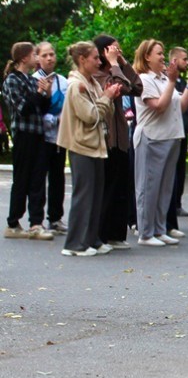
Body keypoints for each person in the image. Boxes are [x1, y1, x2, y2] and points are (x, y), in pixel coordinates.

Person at [132, 38, 188, 247]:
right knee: (148, 187)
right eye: (159, 53)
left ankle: (159, 229)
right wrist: (172, 81)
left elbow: (180, 106)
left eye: (163, 53)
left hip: (170, 137)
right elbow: (159, 106)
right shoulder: (144, 79)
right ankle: (145, 233)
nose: (163, 57)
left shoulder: (164, 78)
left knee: (164, 188)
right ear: (146, 57)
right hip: (151, 138)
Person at [56, 41, 121, 257]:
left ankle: (91, 239)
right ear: (82, 60)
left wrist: (107, 98)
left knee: (96, 195)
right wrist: (107, 98)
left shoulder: (91, 82)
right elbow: (91, 116)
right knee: (84, 195)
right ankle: (74, 244)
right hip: (81, 145)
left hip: (95, 145)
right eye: (94, 57)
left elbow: (104, 113)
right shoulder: (76, 85)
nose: (99, 61)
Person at [94, 34, 143, 249]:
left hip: (121, 135)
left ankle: (116, 234)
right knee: (108, 187)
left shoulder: (116, 69)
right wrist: (114, 65)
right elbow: (120, 86)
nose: (118, 51)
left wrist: (122, 63)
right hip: (106, 137)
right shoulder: (97, 75)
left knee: (121, 185)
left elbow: (137, 88)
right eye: (114, 49)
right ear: (103, 52)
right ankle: (102, 235)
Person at [3, 41, 55, 240]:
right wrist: (39, 93)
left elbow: (41, 108)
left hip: (38, 134)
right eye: (35, 55)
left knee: (38, 179)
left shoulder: (33, 80)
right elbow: (23, 109)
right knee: (22, 178)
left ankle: (36, 222)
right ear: (24, 58)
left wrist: (46, 94)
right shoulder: (12, 80)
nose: (37, 58)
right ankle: (13, 222)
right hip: (23, 135)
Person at [33, 42, 69, 234]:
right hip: (42, 137)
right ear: (37, 58)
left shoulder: (62, 81)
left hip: (60, 136)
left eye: (52, 54)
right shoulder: (34, 80)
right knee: (39, 179)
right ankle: (37, 220)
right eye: (44, 55)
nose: (49, 58)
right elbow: (35, 108)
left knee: (58, 178)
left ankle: (56, 218)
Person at [167, 47, 188, 229]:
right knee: (172, 170)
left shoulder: (182, 82)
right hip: (170, 132)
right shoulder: (169, 82)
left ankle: (177, 203)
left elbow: (187, 106)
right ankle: (171, 204)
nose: (187, 62)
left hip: (182, 131)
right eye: (184, 59)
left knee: (180, 169)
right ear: (174, 61)